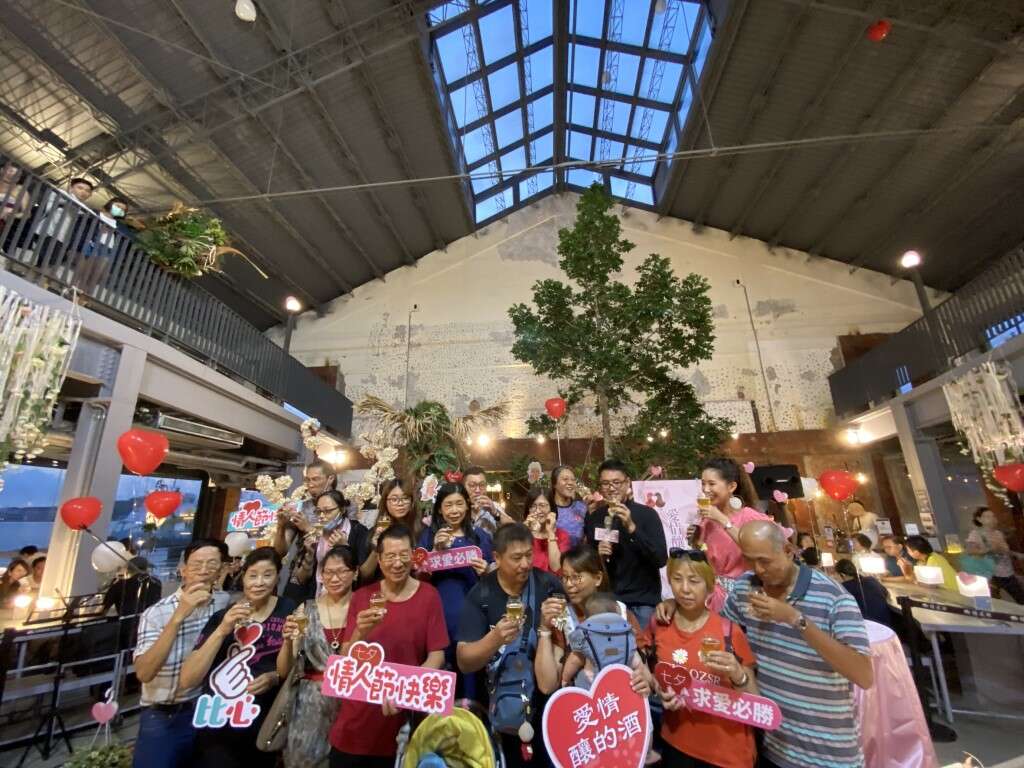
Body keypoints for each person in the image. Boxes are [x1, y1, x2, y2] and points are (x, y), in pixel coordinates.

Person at [714, 521, 872, 768]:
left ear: (788, 551)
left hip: (827, 754)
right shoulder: (746, 587)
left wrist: (794, 619)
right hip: (770, 745)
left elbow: (863, 674)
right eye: (749, 560)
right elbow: (719, 630)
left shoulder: (833, 596)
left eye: (764, 561)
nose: (758, 569)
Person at [330, 525, 448, 768]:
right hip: (355, 722)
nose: (397, 563)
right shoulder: (363, 597)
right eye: (390, 556)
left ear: (413, 556)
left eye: (404, 555)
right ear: (380, 560)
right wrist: (361, 631)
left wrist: (406, 692)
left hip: (402, 723)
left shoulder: (429, 596)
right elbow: (345, 657)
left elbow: (436, 655)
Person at [457, 523, 566, 768]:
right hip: (500, 706)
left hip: (548, 705)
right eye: (516, 558)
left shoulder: (548, 585)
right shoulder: (481, 594)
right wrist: (494, 640)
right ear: (496, 557)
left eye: (529, 555)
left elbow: (566, 640)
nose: (525, 564)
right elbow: (464, 661)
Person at [180, 547, 294, 768]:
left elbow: (289, 667)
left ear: (277, 578)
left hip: (262, 721)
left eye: (267, 575)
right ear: (243, 577)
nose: (259, 582)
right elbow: (187, 679)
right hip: (218, 720)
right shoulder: (221, 617)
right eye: (253, 575)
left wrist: (273, 677)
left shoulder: (288, 609)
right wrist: (223, 629)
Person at [650, 549, 758, 768]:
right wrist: (658, 689)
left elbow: (755, 703)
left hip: (727, 753)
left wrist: (738, 676)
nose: (685, 589)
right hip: (677, 744)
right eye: (677, 580)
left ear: (710, 586)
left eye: (694, 581)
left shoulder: (729, 631)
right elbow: (649, 671)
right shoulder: (660, 625)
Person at [132, 539, 230, 768]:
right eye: (196, 565)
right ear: (183, 569)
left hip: (207, 711)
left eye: (212, 565)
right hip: (164, 715)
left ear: (222, 570)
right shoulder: (156, 613)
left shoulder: (223, 604)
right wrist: (178, 617)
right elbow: (144, 673)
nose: (204, 571)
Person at [277, 545, 356, 767]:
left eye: (341, 571)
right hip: (308, 709)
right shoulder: (306, 609)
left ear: (355, 572)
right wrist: (287, 640)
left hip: (352, 705)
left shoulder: (365, 608)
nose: (334, 578)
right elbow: (284, 670)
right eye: (328, 572)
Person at [534, 544, 648, 694]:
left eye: (576, 577)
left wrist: (644, 681)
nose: (568, 584)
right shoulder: (562, 617)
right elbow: (547, 686)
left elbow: (644, 672)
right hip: (583, 708)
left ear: (598, 578)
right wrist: (545, 629)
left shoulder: (622, 613)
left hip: (621, 703)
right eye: (565, 577)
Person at [417, 482, 491, 697]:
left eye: (459, 503)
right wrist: (433, 551)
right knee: (441, 673)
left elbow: (495, 579)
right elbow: (417, 577)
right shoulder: (428, 537)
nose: (454, 510)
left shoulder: (480, 537)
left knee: (471, 677)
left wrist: (486, 571)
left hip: (472, 617)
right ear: (439, 508)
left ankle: (472, 720)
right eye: (448, 505)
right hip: (437, 616)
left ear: (468, 506)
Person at [691, 457, 786, 612]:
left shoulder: (749, 516)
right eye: (703, 484)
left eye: (712, 484)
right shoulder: (706, 521)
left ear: (732, 486)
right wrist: (694, 538)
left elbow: (775, 546)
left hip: (748, 597)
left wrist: (722, 520)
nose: (706, 489)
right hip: (715, 599)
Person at [584, 458, 667, 629]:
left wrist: (631, 527)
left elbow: (660, 559)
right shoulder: (595, 517)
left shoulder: (647, 515)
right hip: (608, 602)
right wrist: (597, 554)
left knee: (642, 653)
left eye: (616, 482)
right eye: (605, 483)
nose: (611, 488)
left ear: (627, 482)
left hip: (642, 602)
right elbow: (588, 563)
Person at [285, 489, 370, 601]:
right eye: (318, 511)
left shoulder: (358, 531)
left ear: (342, 509)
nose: (322, 516)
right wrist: (309, 556)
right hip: (318, 597)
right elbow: (301, 579)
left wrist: (345, 547)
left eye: (328, 511)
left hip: (349, 599)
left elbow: (363, 574)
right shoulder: (315, 533)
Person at [274, 460, 336, 586]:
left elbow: (344, 541)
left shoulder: (344, 506)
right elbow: (280, 551)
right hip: (301, 573)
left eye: (315, 479)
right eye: (308, 480)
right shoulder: (300, 507)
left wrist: (308, 528)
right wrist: (281, 526)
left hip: (333, 574)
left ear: (330, 479)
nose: (310, 484)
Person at [358, 478, 421, 582]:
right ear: (385, 502)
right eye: (394, 499)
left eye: (405, 498)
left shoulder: (422, 530)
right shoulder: (374, 533)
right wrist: (376, 549)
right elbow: (364, 575)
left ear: (412, 501)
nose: (400, 503)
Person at [30, 176, 94, 271]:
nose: (83, 192)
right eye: (80, 188)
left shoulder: (83, 207)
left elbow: (90, 214)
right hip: (48, 232)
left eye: (87, 191)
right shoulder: (61, 193)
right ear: (71, 188)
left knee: (46, 264)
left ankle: (34, 278)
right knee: (45, 262)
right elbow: (63, 202)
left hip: (62, 238)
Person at [966, 507, 1024, 604]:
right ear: (979, 519)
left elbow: (1005, 551)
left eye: (993, 516)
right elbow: (970, 550)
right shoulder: (976, 534)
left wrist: (1017, 555)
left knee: (1020, 598)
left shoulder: (998, 533)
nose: (992, 518)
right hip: (991, 574)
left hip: (1007, 572)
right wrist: (989, 549)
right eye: (987, 516)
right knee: (994, 602)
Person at [834, 558, 894, 628]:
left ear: (842, 575)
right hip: (886, 626)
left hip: (867, 628)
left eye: (836, 575)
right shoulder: (871, 580)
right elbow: (886, 594)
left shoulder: (844, 588)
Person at [522, 487, 570, 574]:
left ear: (551, 508)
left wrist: (551, 532)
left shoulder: (562, 535)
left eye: (542, 505)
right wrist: (524, 532)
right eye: (533, 506)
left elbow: (556, 567)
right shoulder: (522, 532)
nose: (537, 511)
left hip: (552, 585)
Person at [463, 465, 514, 534]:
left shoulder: (494, 506)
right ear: (464, 487)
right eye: (472, 485)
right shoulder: (458, 507)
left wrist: (495, 513)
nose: (478, 490)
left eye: (482, 485)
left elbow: (515, 530)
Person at [550, 465, 587, 546]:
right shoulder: (547, 509)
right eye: (565, 479)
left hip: (578, 557)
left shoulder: (581, 507)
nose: (570, 483)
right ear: (554, 484)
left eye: (573, 480)